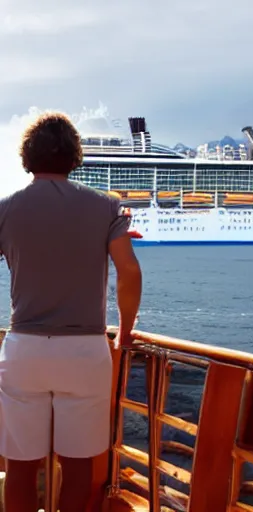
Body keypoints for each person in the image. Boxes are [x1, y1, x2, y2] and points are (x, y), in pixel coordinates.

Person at [0, 112, 142, 512]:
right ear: (74, 158)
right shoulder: (106, 208)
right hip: (85, 351)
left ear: (27, 158)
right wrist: (126, 332)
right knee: (79, 467)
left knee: (20, 468)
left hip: (24, 348)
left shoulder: (5, 209)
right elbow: (129, 271)